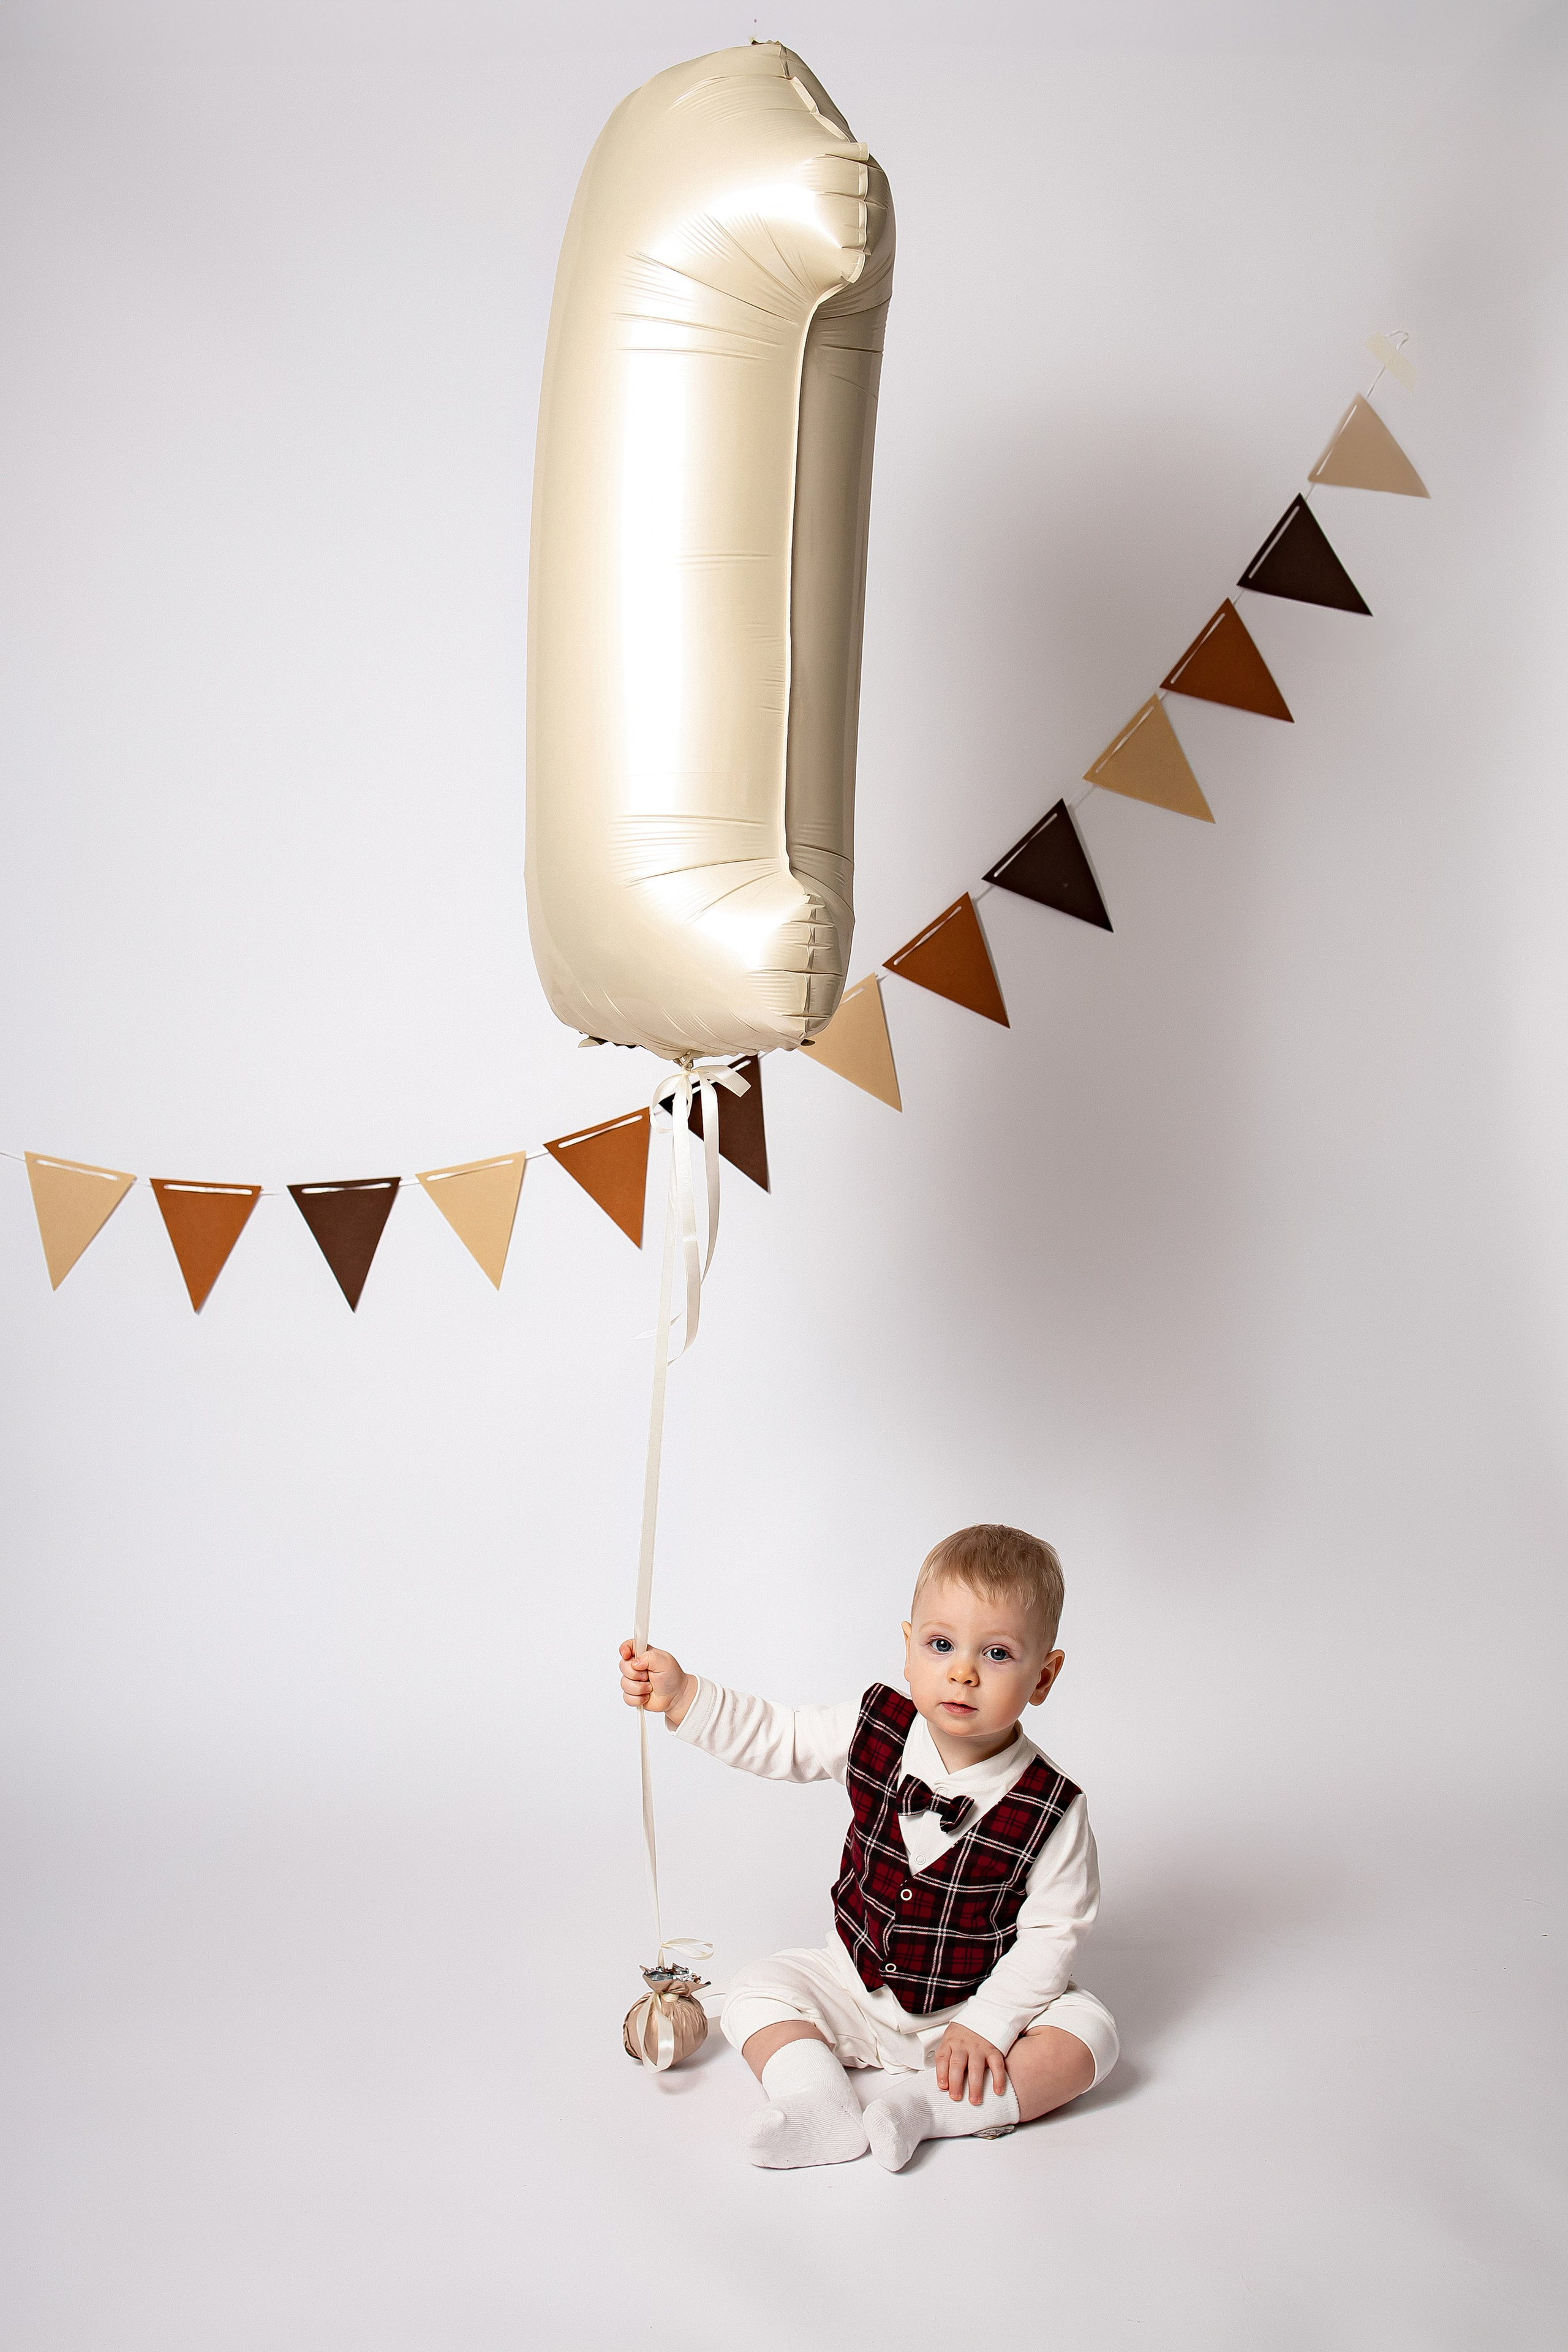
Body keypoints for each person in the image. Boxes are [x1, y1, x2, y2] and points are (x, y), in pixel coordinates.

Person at [617, 1522, 1117, 2170]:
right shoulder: (872, 1723)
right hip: (854, 1984)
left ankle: (924, 2109)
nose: (962, 1672)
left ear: (1043, 1676)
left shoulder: (1053, 1807)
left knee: (1090, 2040)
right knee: (754, 1991)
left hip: (971, 2007)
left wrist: (989, 2023)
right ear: (908, 1650)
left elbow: (1054, 1932)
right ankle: (816, 2101)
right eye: (941, 1645)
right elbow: (782, 1736)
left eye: (996, 1655)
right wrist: (685, 1696)